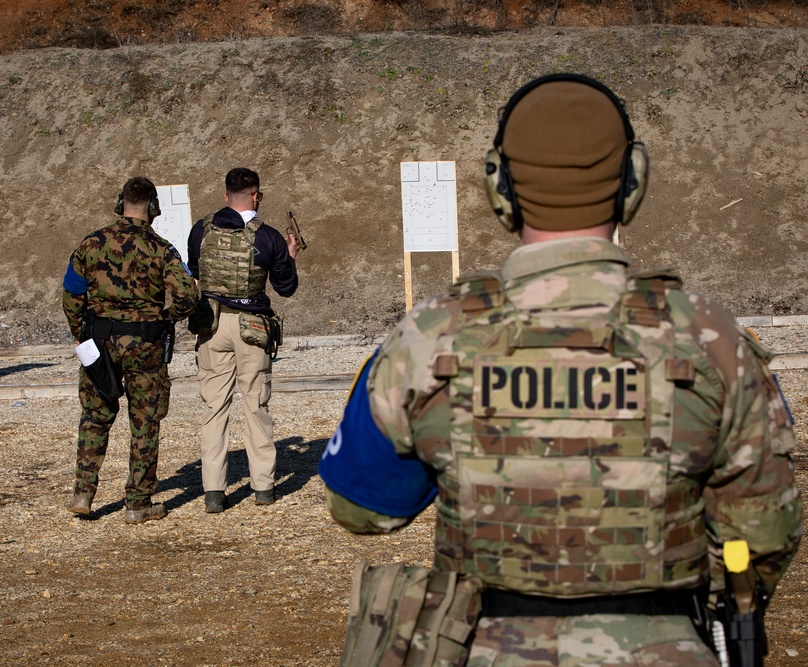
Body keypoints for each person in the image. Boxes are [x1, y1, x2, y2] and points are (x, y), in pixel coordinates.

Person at [319, 74, 802, 665]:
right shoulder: (710, 336)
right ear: (634, 183)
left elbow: (363, 509)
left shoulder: (430, 337)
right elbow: (763, 532)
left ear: (499, 188)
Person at [62, 176, 199, 524]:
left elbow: (71, 294)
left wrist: (81, 333)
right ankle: (137, 504)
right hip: (145, 346)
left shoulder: (90, 244)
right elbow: (188, 295)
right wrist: (166, 318)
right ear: (153, 208)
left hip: (100, 342)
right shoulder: (162, 248)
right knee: (145, 422)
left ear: (120, 202)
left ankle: (83, 493)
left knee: (95, 416)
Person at [186, 167, 300, 513]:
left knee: (213, 409)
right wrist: (290, 258)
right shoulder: (268, 237)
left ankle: (214, 493)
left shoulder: (200, 230)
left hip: (211, 326)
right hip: (253, 328)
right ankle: (263, 488)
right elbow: (286, 288)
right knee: (256, 407)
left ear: (225, 196)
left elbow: (194, 269)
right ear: (256, 196)